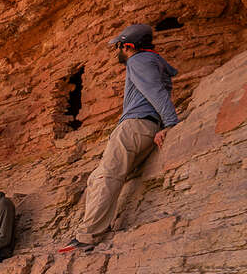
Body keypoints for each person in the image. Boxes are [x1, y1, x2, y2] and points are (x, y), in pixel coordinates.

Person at [60, 24, 180, 253]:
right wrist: (163, 124)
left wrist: (172, 123)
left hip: (134, 126)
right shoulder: (153, 61)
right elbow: (159, 91)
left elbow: (155, 92)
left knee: (107, 175)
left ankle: (87, 236)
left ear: (128, 46)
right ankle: (92, 227)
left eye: (118, 47)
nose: (117, 52)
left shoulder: (138, 61)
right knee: (96, 178)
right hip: (146, 127)